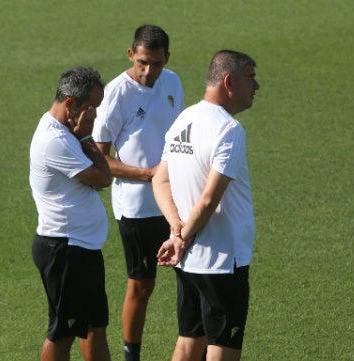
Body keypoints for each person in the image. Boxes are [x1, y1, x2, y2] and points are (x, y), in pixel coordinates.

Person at [152, 50, 260, 361]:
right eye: (251, 77)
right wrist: (182, 236)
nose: (257, 86)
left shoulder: (184, 118)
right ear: (229, 81)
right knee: (223, 347)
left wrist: (176, 232)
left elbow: (159, 180)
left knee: (188, 342)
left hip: (188, 261)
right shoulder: (229, 130)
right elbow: (210, 199)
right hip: (223, 260)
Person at [92, 24, 184, 361]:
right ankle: (132, 356)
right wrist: (151, 176)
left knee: (193, 277)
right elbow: (99, 157)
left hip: (177, 203)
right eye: (143, 62)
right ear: (131, 54)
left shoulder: (172, 82)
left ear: (167, 59)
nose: (148, 71)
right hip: (137, 208)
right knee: (142, 284)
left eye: (156, 63)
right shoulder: (116, 94)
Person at [29, 67, 113, 361]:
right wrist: (88, 136)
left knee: (95, 327)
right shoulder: (58, 141)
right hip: (64, 248)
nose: (95, 116)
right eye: (92, 109)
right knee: (61, 333)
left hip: (82, 246)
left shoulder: (65, 133)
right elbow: (103, 177)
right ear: (70, 105)